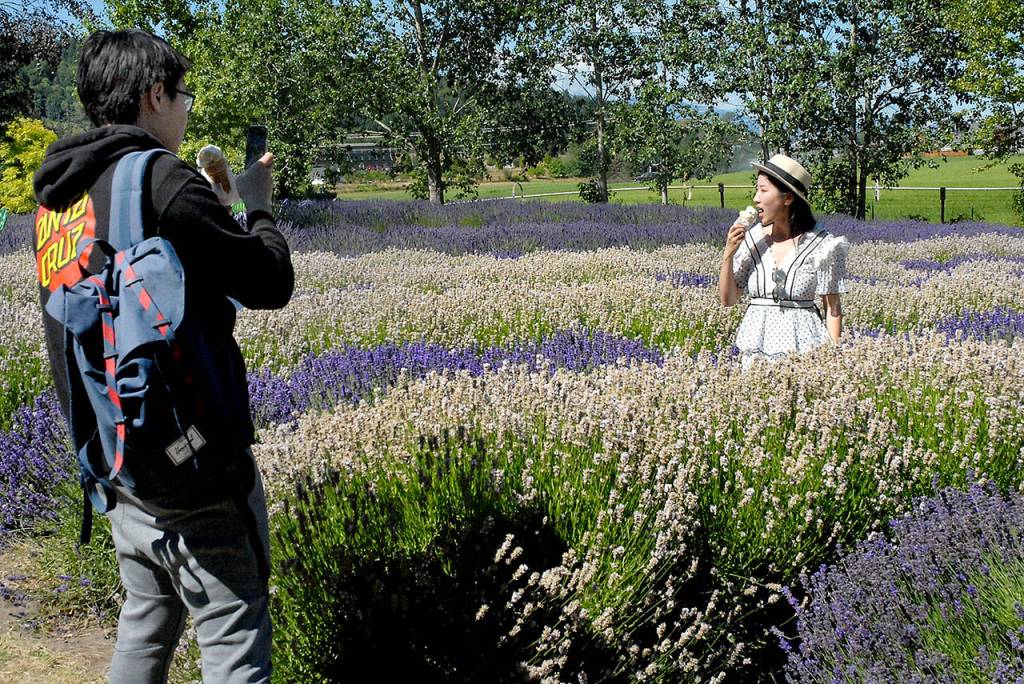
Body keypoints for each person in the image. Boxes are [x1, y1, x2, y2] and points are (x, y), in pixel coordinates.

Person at [32, 29, 293, 683]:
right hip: (193, 464)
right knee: (234, 634)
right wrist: (257, 210)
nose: (185, 109)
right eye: (183, 95)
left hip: (118, 465)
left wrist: (214, 208)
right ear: (154, 95)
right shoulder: (161, 178)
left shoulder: (59, 198)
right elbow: (267, 282)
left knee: (145, 628)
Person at [718, 154, 848, 369]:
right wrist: (728, 254)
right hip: (756, 350)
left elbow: (833, 310)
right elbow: (728, 300)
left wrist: (833, 359)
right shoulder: (752, 239)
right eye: (756, 189)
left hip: (804, 350)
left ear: (787, 199)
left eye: (763, 190)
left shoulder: (823, 246)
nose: (756, 198)